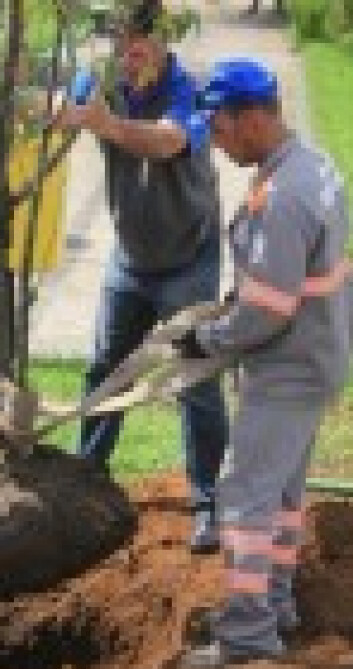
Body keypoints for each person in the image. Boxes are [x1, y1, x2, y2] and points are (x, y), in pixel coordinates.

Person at [171, 58, 353, 668]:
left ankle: (248, 637)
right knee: (281, 493)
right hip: (317, 355)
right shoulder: (311, 165)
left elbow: (268, 313)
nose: (217, 145)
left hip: (289, 365)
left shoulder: (283, 197)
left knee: (245, 498)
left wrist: (209, 340)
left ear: (251, 119)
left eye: (220, 130)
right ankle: (276, 605)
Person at [59, 0, 228, 551]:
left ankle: (209, 502)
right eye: (120, 46)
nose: (127, 59)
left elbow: (168, 141)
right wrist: (49, 108)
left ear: (162, 43)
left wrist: (105, 123)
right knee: (106, 369)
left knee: (194, 380)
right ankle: (87, 477)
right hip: (131, 257)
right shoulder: (103, 80)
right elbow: (61, 106)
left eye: (137, 47)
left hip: (187, 260)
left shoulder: (189, 91)